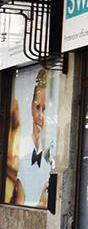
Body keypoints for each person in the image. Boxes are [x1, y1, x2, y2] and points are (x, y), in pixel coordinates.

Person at [14, 68, 53, 208]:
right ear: (31, 108)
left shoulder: (51, 146)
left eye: (45, 109)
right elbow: (19, 200)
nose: (40, 116)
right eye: (38, 108)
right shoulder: (22, 144)